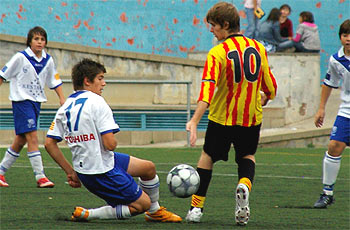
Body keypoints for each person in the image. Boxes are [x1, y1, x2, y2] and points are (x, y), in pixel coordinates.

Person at [44, 58, 182, 222]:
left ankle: (155, 212)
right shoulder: (97, 102)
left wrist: (70, 171)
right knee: (141, 204)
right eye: (100, 78)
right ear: (87, 81)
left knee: (148, 168)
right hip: (101, 171)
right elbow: (110, 145)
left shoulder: (66, 105)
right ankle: (91, 214)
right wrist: (112, 139)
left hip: (89, 167)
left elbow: (49, 143)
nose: (104, 83)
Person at [185, 2, 277, 226]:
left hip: (222, 118)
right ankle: (244, 184)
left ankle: (196, 208)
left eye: (213, 25)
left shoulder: (217, 52)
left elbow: (207, 90)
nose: (211, 30)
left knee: (207, 157)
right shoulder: (258, 48)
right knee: (247, 157)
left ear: (225, 25)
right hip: (250, 119)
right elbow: (270, 87)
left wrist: (194, 120)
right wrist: (265, 97)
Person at [0, 26, 65, 188]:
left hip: (36, 103)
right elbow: (2, 75)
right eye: (36, 39)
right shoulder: (20, 58)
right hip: (22, 102)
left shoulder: (48, 60)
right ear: (30, 41)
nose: (39, 42)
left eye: (42, 39)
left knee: (21, 139)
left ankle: (0, 172)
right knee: (33, 138)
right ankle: (40, 176)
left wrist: (62, 98)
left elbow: (54, 81)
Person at [313, 19, 350, 209]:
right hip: (346, 111)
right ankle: (327, 193)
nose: (348, 39)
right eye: (345, 35)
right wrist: (321, 108)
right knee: (334, 146)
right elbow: (329, 83)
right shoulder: (336, 59)